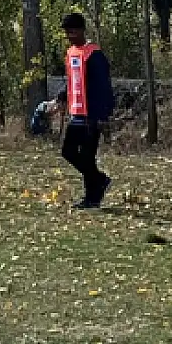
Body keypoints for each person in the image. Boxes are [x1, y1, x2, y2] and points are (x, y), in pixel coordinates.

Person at [59, 11, 114, 208]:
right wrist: (61, 97)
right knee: (68, 152)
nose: (70, 36)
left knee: (88, 156)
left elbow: (103, 86)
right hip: (76, 113)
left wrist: (102, 114)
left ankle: (92, 197)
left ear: (82, 30)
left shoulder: (94, 54)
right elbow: (74, 80)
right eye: (67, 32)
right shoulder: (71, 52)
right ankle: (99, 181)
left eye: (73, 31)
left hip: (91, 114)